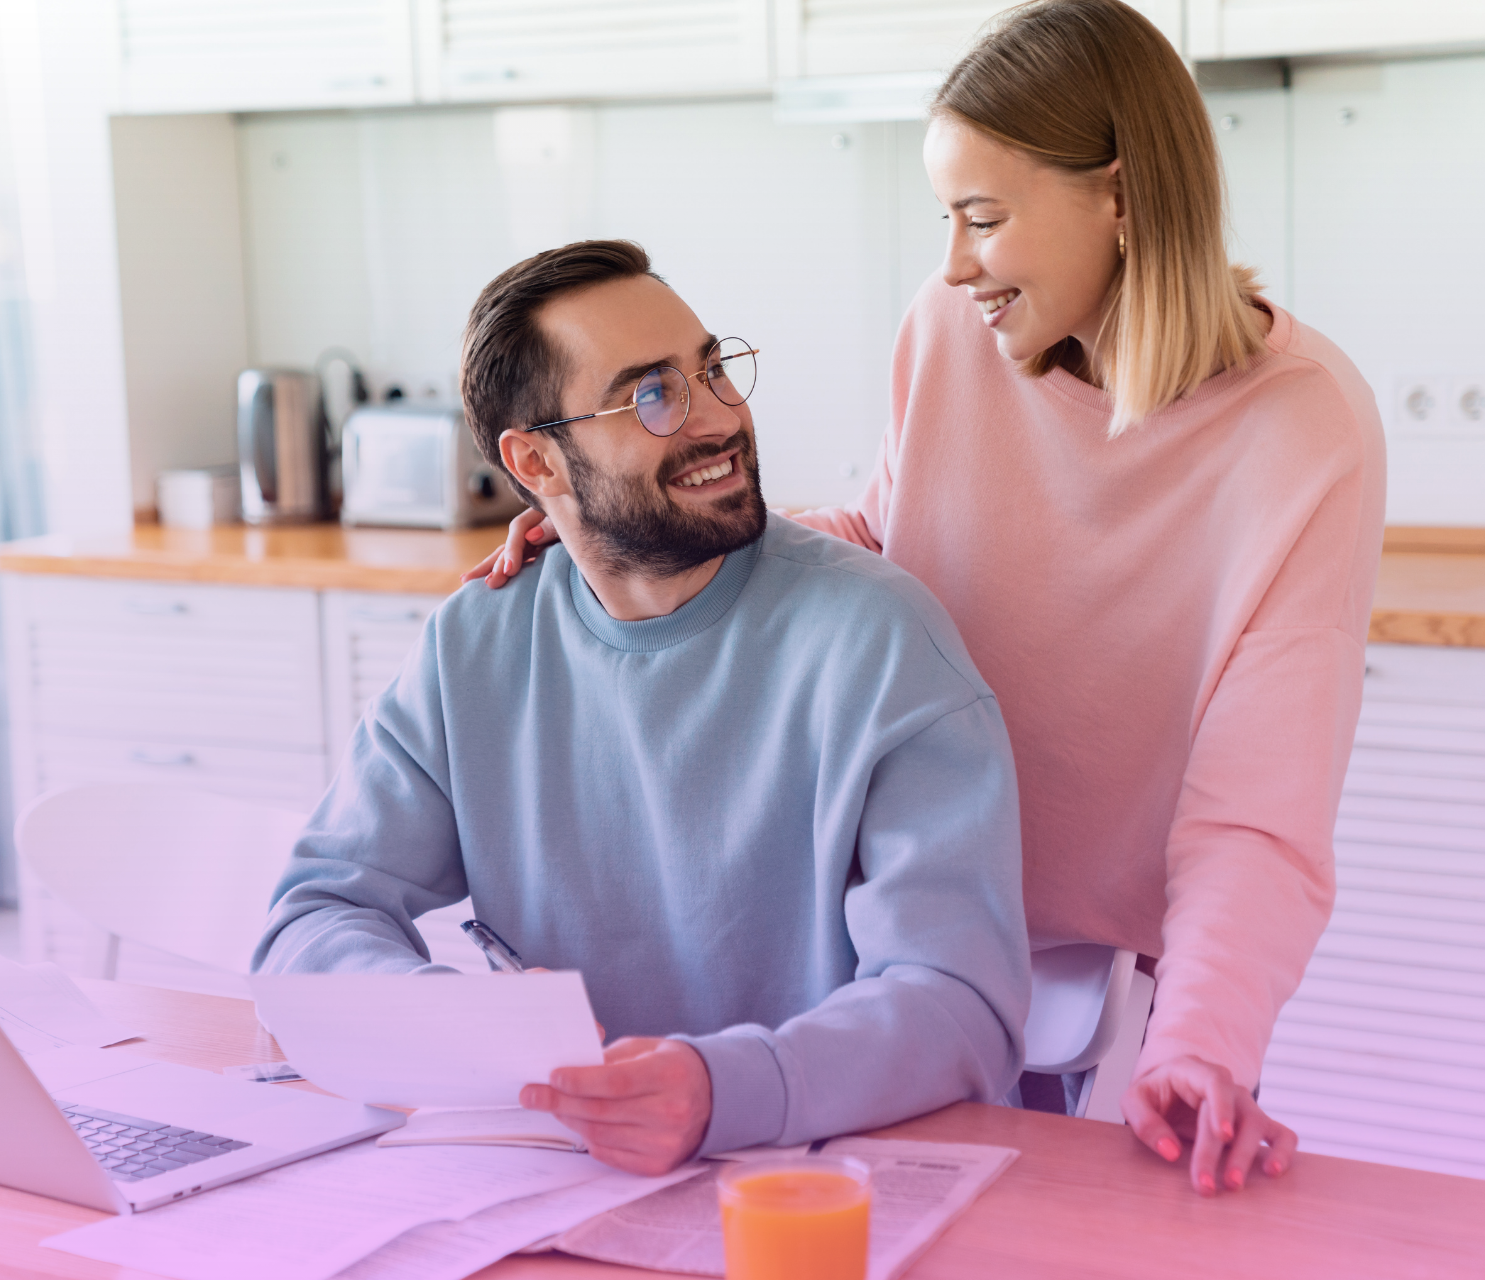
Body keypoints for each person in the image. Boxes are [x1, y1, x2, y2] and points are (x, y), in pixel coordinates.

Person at [468, 0, 1385, 1197]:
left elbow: (1256, 815)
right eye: (946, 217)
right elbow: (887, 538)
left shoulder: (1305, 430)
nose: (954, 263)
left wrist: (1200, 1050)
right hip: (883, 911)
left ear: (1117, 192)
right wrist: (633, 524)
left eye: (985, 217)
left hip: (1079, 959)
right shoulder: (950, 327)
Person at [254, 240, 1031, 1177]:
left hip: (828, 1179)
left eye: (711, 369)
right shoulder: (478, 643)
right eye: (652, 396)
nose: (716, 418)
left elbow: (961, 1007)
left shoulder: (879, 641)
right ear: (536, 462)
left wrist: (723, 1089)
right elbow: (313, 914)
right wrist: (461, 1022)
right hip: (568, 1174)